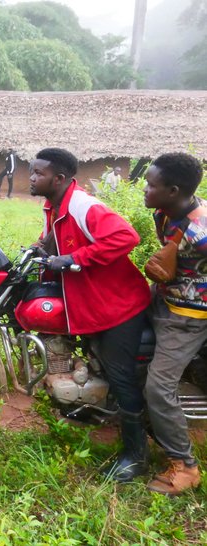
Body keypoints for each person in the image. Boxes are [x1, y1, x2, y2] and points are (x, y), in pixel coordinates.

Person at [30, 147, 152, 482]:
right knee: (96, 360)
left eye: (38, 173)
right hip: (92, 305)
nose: (32, 178)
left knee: (121, 375)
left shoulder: (82, 205)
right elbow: (56, 243)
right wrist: (42, 250)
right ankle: (94, 409)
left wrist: (74, 259)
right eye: (32, 171)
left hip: (118, 306)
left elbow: (127, 236)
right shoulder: (54, 206)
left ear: (59, 179)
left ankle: (135, 456)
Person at [141, 152, 206, 495]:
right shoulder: (164, 213)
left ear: (174, 190)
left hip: (187, 317)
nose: (145, 190)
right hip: (163, 296)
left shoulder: (202, 231)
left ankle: (185, 466)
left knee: (159, 387)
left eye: (152, 185)